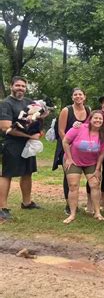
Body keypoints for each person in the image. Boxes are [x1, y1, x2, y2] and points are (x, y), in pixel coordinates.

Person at [0, 76, 44, 220]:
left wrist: (38, 131)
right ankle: (2, 208)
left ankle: (27, 202)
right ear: (11, 86)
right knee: (7, 174)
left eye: (23, 86)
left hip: (28, 145)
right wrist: (29, 137)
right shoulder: (5, 104)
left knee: (27, 172)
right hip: (12, 144)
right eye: (17, 85)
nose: (20, 88)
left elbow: (38, 117)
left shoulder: (29, 102)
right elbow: (5, 127)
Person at [62, 110, 104, 224]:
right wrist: (68, 158)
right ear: (90, 119)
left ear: (103, 121)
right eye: (95, 118)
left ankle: (97, 212)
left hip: (91, 163)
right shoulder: (79, 128)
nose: (98, 120)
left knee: (95, 184)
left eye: (100, 119)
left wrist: (98, 169)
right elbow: (65, 141)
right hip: (74, 160)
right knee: (73, 186)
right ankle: (72, 214)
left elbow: (102, 154)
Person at [52, 87, 91, 215]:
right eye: (75, 95)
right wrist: (68, 145)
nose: (78, 97)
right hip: (66, 146)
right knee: (68, 175)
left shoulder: (88, 110)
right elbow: (61, 131)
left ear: (84, 97)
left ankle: (85, 203)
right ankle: (69, 205)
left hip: (82, 148)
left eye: (80, 94)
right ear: (72, 97)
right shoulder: (66, 110)